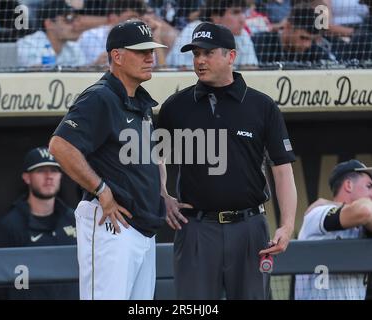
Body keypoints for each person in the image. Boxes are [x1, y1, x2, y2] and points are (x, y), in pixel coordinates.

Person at [157, 22, 297, 299]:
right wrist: (163, 195)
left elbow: (282, 170)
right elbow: (154, 158)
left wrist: (288, 225)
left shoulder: (262, 106)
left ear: (231, 56)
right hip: (195, 227)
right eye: (195, 54)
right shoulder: (175, 106)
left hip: (250, 228)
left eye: (208, 53)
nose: (200, 61)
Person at [49, 20, 167, 300]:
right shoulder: (100, 97)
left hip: (142, 228)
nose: (150, 57)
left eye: (152, 50)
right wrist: (102, 191)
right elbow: (60, 145)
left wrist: (163, 193)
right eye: (141, 51)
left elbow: (151, 155)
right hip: (111, 224)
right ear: (117, 56)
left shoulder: (140, 100)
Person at [0, 147, 77, 299]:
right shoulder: (9, 226)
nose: (49, 176)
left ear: (61, 176)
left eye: (54, 170)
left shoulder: (75, 220)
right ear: (26, 177)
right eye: (41, 170)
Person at [295, 159, 372, 300]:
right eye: (369, 186)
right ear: (348, 185)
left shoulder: (365, 226)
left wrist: (332, 202)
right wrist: (334, 205)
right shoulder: (317, 213)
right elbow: (365, 210)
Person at [166, 0, 259, 68]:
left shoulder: (242, 34)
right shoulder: (194, 31)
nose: (242, 20)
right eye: (236, 12)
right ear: (216, 16)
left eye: (243, 12)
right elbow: (184, 71)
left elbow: (251, 68)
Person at [252, 4, 334, 64]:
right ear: (288, 27)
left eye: (311, 40)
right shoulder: (261, 43)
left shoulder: (314, 51)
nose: (307, 45)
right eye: (303, 38)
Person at [16, 0, 86, 67]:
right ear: (49, 24)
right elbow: (36, 75)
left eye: (76, 18)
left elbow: (83, 73)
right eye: (69, 19)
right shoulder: (28, 44)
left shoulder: (73, 46)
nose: (76, 24)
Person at [76, 0, 147, 66]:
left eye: (138, 19)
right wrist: (96, 65)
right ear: (113, 18)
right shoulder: (90, 36)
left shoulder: (143, 36)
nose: (135, 23)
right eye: (130, 18)